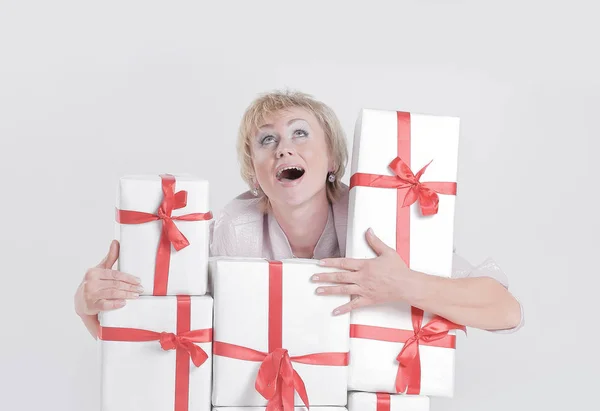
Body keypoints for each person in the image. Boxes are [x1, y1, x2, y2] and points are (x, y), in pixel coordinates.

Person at [74, 90, 524, 339]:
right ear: (255, 174)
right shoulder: (228, 232)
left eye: (300, 134)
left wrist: (401, 284)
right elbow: (151, 341)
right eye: (267, 140)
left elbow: (506, 310)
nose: (285, 147)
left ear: (333, 160)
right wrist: (87, 305)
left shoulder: (378, 220)